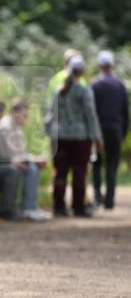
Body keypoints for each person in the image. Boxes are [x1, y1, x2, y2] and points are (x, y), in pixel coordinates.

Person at [45, 55, 102, 217]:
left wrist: (49, 133)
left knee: (60, 172)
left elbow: (50, 114)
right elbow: (91, 116)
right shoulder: (84, 90)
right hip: (80, 138)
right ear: (82, 71)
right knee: (79, 173)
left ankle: (59, 206)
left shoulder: (58, 90)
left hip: (59, 137)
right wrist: (97, 137)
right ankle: (78, 207)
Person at [0, 100, 51, 221]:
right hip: (2, 163)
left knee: (33, 167)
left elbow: (21, 154)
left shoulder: (17, 129)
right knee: (32, 169)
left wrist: (35, 159)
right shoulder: (6, 127)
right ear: (15, 113)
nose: (26, 119)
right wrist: (33, 160)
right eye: (24, 116)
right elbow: (11, 154)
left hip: (12, 162)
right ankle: (28, 208)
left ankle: (31, 207)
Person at [91, 50, 129, 211]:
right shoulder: (120, 85)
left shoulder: (94, 84)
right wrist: (124, 132)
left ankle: (97, 197)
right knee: (112, 164)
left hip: (98, 130)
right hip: (115, 130)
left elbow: (91, 111)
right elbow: (125, 111)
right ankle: (109, 200)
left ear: (99, 65)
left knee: (96, 164)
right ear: (112, 65)